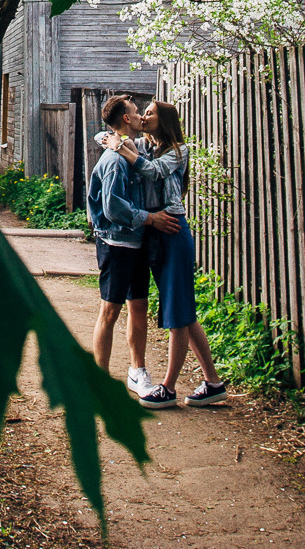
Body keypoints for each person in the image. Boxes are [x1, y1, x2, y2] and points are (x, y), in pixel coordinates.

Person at [108, 99, 226, 407]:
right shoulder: (148, 146)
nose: (144, 116)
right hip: (155, 232)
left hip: (173, 230)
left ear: (165, 120)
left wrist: (118, 146)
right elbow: (112, 135)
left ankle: (169, 387)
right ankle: (213, 382)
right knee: (184, 311)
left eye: (150, 113)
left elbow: (153, 172)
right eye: (142, 112)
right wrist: (111, 138)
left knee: (177, 313)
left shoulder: (176, 150)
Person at [86, 93, 180, 397]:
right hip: (116, 244)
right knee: (110, 311)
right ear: (127, 119)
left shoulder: (134, 148)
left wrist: (109, 136)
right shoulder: (115, 159)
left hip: (136, 243)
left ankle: (137, 371)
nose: (141, 116)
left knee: (139, 306)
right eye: (137, 112)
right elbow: (113, 208)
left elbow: (107, 133)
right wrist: (151, 219)